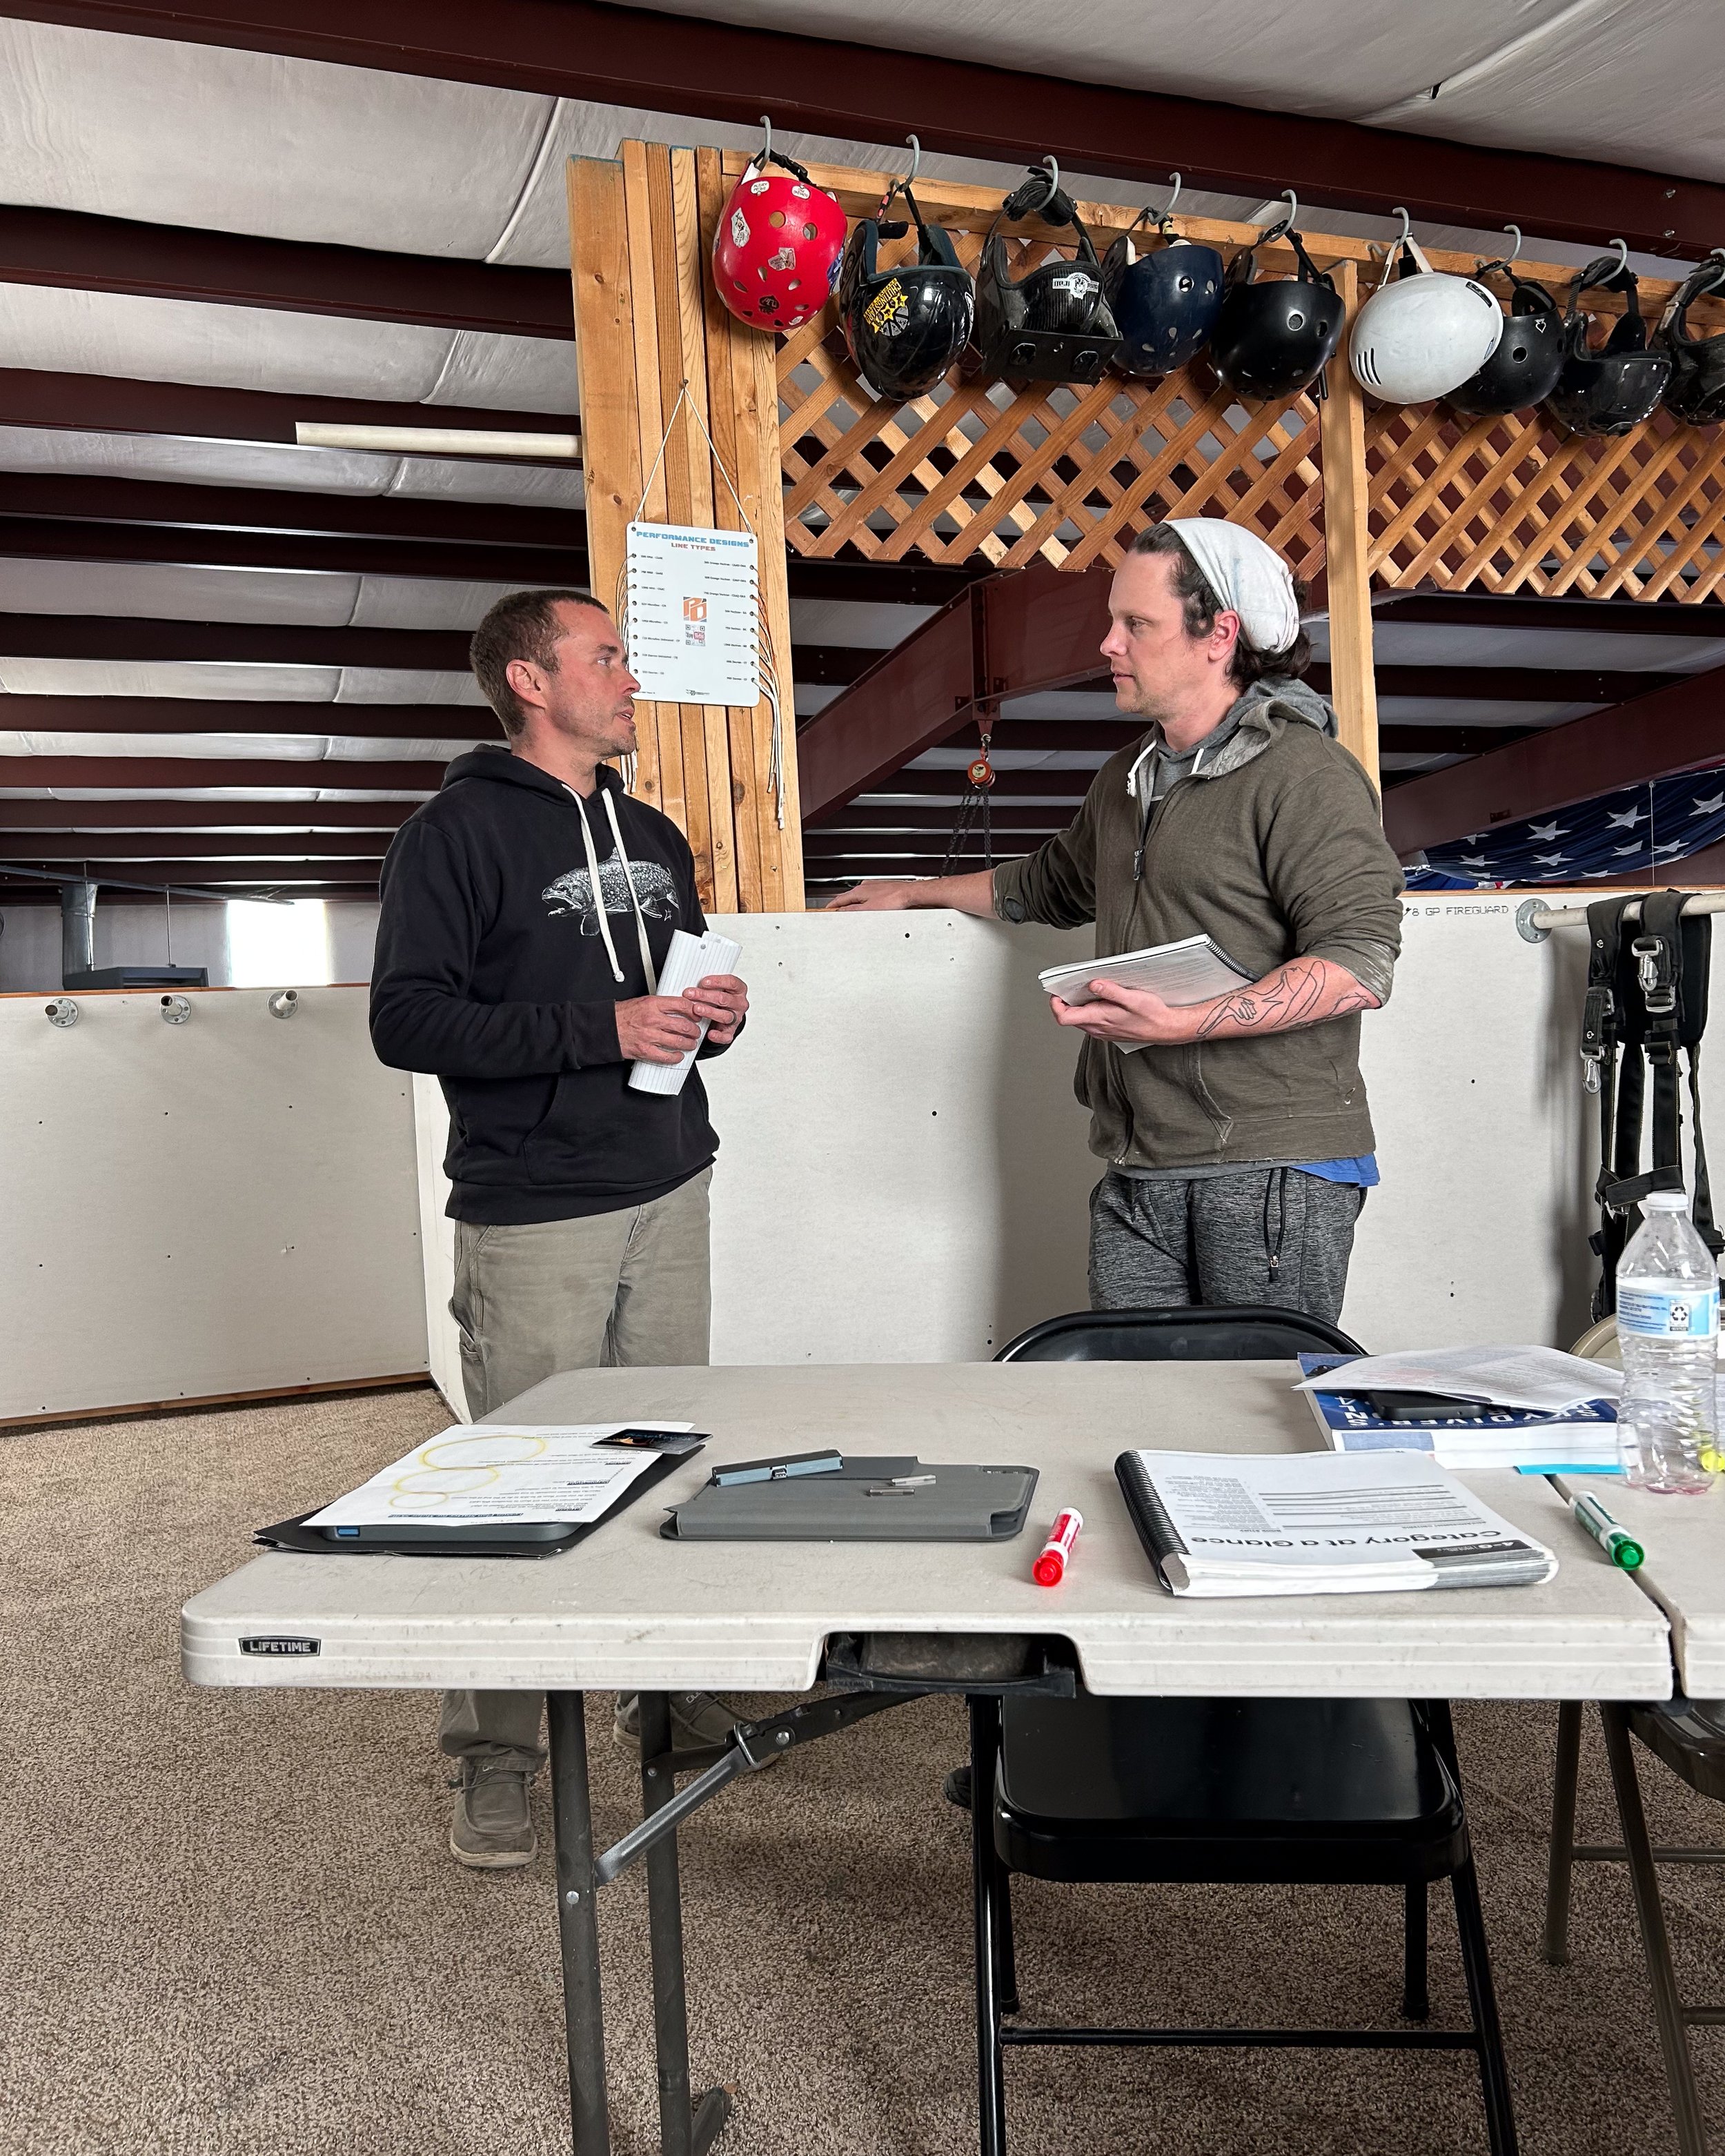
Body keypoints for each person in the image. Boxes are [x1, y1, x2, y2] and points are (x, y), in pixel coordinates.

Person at [371, 588, 750, 1872]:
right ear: (532, 682)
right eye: (607, 657)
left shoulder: (650, 829)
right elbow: (405, 1024)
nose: (631, 677)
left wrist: (707, 1017)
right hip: (535, 1213)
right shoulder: (453, 835)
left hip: (669, 1186)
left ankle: (671, 1686)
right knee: (521, 1491)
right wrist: (603, 1031)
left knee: (669, 1464)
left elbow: (652, 999)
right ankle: (497, 1757)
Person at [831, 517, 1403, 1325]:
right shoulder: (1126, 778)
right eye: (1113, 620)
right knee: (1136, 1399)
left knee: (1254, 1415)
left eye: (1136, 624)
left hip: (1272, 1165)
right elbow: (1055, 882)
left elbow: (1358, 961)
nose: (1107, 643)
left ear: (1219, 635)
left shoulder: (1303, 773)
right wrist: (917, 890)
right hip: (1139, 1157)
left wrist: (1183, 1024)